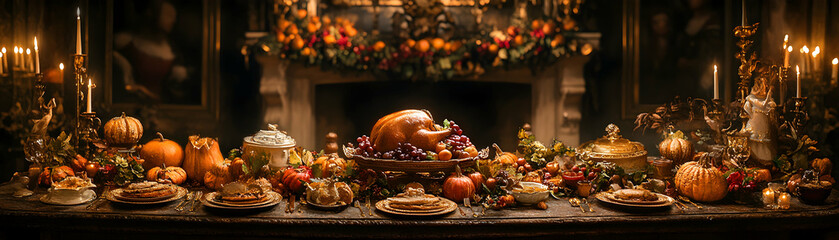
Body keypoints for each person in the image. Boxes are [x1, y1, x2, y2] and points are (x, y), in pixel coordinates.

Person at [113, 0, 189, 103]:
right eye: (168, 15)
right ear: (152, 13)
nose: (173, 20)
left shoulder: (172, 51)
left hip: (160, 106)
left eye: (174, 16)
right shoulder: (125, 42)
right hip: (129, 104)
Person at [743, 77, 777, 166]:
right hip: (755, 121)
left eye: (766, 85)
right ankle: (754, 161)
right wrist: (769, 95)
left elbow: (770, 106)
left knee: (763, 142)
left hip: (763, 121)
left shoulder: (767, 98)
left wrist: (770, 100)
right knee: (754, 141)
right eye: (763, 85)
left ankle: (765, 161)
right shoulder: (751, 98)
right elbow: (762, 106)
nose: (765, 87)